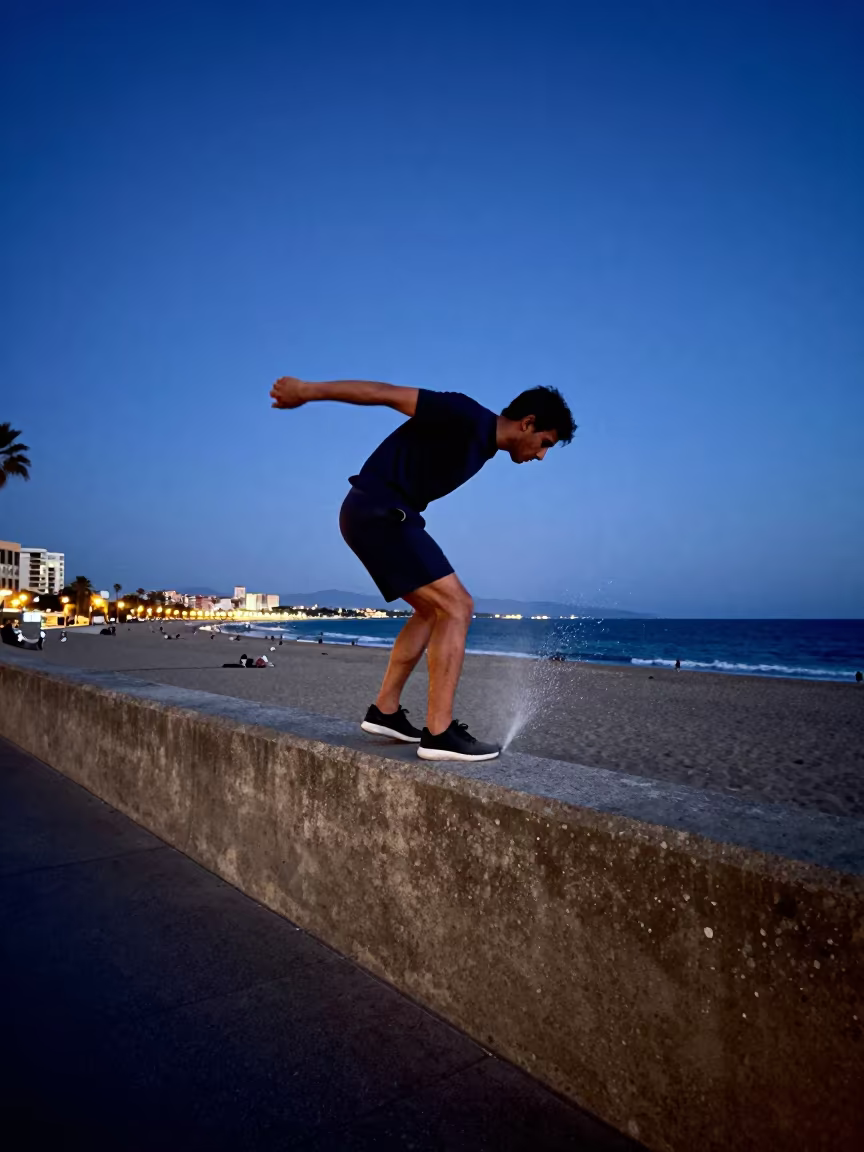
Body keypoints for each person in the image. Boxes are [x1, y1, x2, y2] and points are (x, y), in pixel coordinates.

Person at [271, 375, 575, 762]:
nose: (541, 455)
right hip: (380, 511)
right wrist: (307, 392)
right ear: (528, 423)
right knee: (458, 606)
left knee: (433, 611)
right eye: (545, 443)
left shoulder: (482, 445)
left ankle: (385, 710)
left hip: (376, 512)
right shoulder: (465, 414)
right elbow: (385, 394)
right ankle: (439, 732)